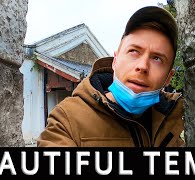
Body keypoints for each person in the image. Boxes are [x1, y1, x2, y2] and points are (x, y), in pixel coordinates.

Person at [37, 6, 185, 147]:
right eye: (134, 51)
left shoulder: (175, 116)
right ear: (115, 61)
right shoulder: (67, 118)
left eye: (157, 58)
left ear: (168, 78)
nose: (143, 66)